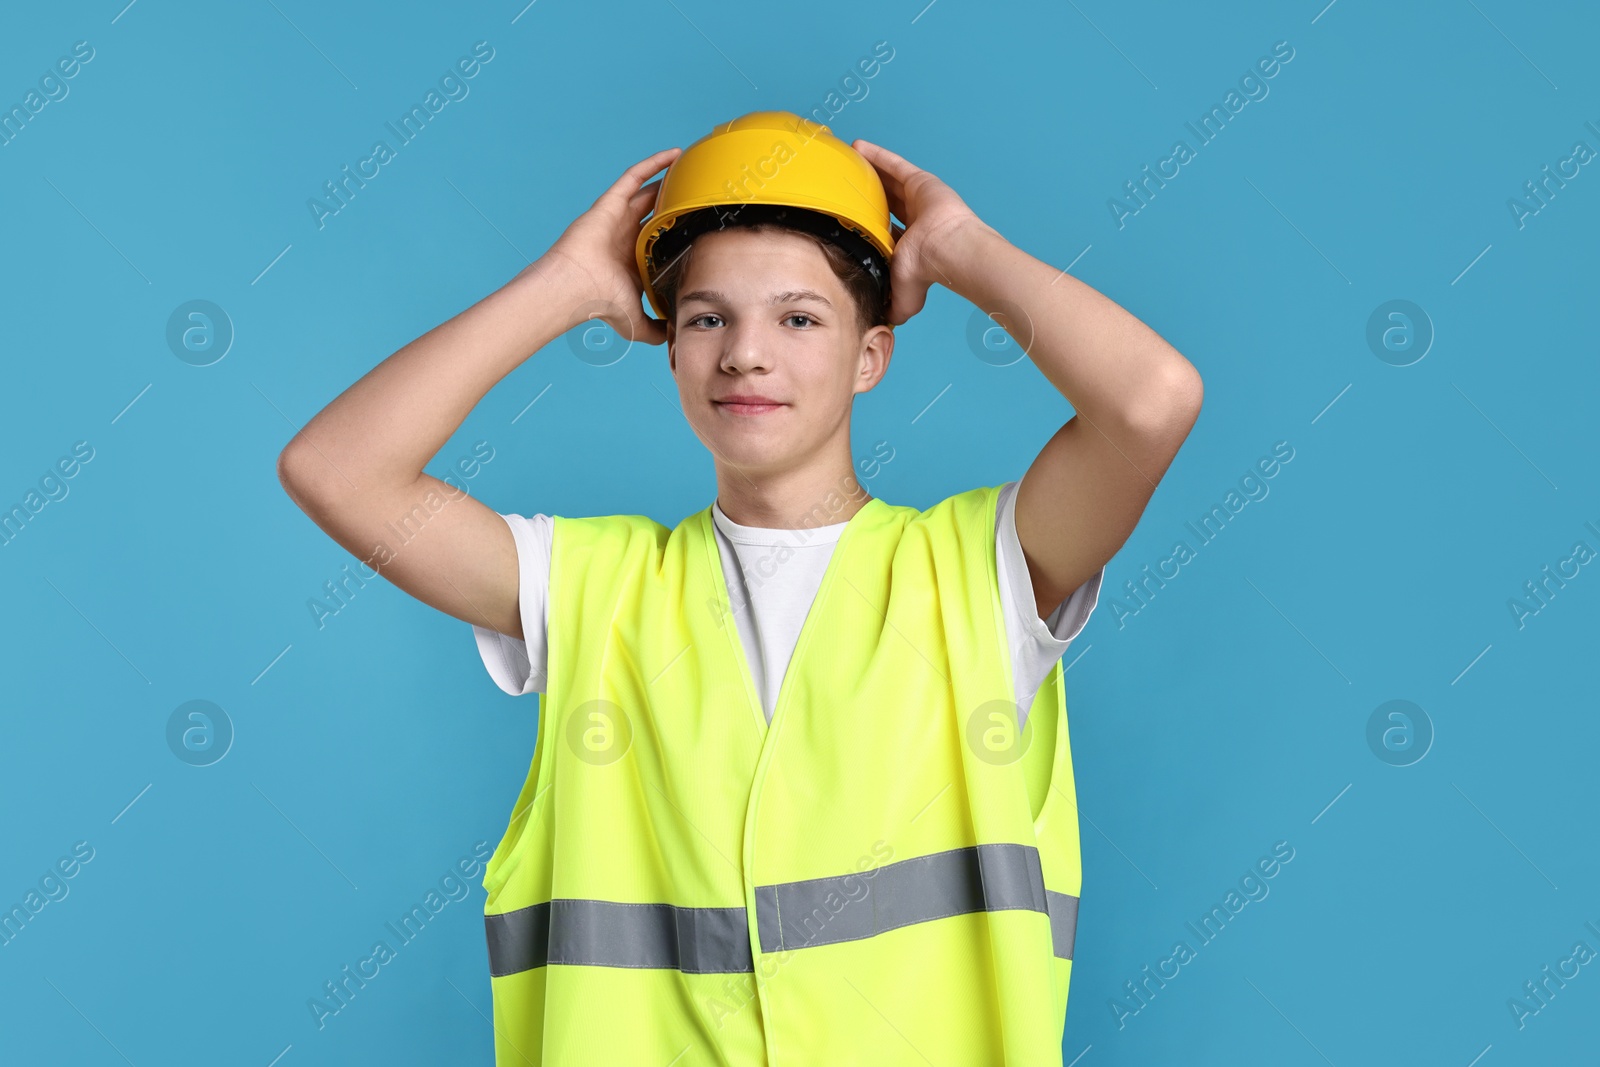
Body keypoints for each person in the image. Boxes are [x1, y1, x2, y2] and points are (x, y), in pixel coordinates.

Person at [277, 111, 1202, 1066]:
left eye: (799, 317)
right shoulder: (592, 587)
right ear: (669, 349)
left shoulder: (981, 574)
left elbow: (1151, 402)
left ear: (871, 356)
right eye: (707, 317)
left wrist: (958, 246)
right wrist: (567, 286)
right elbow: (339, 470)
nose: (745, 353)